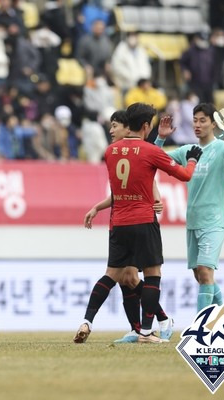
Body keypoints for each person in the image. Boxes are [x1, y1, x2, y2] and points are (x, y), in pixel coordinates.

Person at [74, 103, 203, 344]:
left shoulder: (110, 152)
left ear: (127, 124)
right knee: (152, 276)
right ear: (146, 126)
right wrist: (193, 159)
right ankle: (145, 331)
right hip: (143, 220)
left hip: (119, 223)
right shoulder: (150, 151)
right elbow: (184, 175)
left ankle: (88, 321)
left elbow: (131, 177)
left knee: (114, 276)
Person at [83, 110, 173, 343]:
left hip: (131, 221)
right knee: (128, 279)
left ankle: (147, 327)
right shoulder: (118, 153)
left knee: (128, 277)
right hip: (122, 221)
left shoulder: (123, 152)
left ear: (127, 128)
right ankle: (143, 328)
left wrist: (155, 196)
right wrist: (98, 207)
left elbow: (147, 175)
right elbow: (123, 191)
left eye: (115, 126)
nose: (111, 130)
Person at [154, 104, 224, 311]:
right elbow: (153, 159)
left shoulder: (223, 149)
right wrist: (161, 138)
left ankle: (201, 330)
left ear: (214, 124)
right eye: (195, 120)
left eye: (203, 120)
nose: (197, 125)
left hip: (214, 221)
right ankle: (223, 320)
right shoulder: (188, 151)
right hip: (193, 221)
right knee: (200, 276)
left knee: (205, 271)